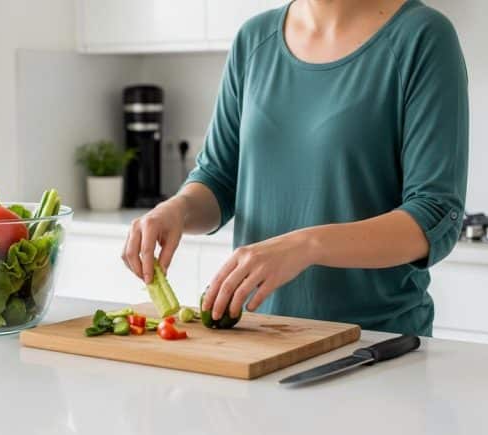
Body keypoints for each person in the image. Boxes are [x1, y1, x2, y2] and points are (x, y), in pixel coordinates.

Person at [121, 0, 468, 336]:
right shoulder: (254, 40)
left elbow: (434, 215)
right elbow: (219, 180)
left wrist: (308, 245)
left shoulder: (422, 36)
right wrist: (177, 210)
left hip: (373, 343)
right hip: (261, 337)